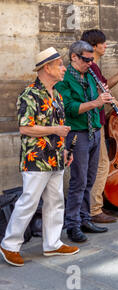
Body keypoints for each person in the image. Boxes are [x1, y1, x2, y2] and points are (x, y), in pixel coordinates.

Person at [0, 47, 79, 267]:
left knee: (55, 201)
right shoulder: (30, 94)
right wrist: (54, 130)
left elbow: (60, 128)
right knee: (29, 201)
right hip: (36, 158)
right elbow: (25, 128)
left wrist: (64, 149)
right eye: (60, 65)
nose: (64, 69)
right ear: (47, 67)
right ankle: (9, 245)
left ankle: (52, 243)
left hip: (55, 157)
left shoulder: (57, 95)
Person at [80, 29, 118, 223]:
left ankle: (92, 207)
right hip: (93, 122)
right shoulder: (92, 67)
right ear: (95, 46)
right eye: (103, 43)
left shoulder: (94, 67)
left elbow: (106, 87)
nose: (106, 46)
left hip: (95, 122)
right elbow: (106, 97)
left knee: (96, 166)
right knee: (101, 165)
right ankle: (95, 209)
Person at [55, 40, 112, 242]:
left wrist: (102, 95)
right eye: (86, 59)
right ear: (74, 57)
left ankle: (85, 218)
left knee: (90, 179)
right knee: (78, 181)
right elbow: (69, 108)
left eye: (92, 59)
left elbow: (97, 101)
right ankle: (72, 225)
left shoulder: (90, 75)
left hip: (94, 130)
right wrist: (97, 102)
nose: (90, 63)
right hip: (77, 134)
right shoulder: (64, 79)